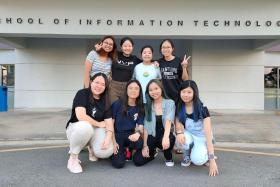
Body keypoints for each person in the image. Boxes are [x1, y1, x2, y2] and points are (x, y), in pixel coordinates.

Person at [66, 73, 114, 173]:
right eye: (97, 82)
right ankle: (73, 158)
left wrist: (108, 137)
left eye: (103, 84)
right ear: (91, 82)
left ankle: (91, 148)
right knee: (85, 126)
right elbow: (81, 116)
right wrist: (99, 124)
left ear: (105, 87)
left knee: (106, 151)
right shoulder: (82, 93)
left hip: (94, 130)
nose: (99, 86)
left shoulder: (105, 100)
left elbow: (109, 122)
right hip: (76, 128)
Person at [175, 80, 219, 176]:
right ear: (180, 92)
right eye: (183, 92)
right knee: (179, 140)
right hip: (189, 134)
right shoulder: (179, 106)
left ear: (195, 93)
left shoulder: (202, 109)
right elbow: (179, 123)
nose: (186, 95)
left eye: (189, 92)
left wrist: (212, 160)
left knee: (198, 161)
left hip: (202, 137)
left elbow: (207, 132)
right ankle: (187, 155)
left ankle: (206, 155)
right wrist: (179, 133)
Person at [133, 79, 175, 167]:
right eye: (150, 90)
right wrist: (145, 145)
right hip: (151, 135)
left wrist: (166, 137)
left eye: (156, 88)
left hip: (164, 134)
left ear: (161, 89)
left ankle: (168, 156)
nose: (153, 92)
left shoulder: (170, 103)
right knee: (138, 160)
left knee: (170, 139)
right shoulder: (147, 105)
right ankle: (153, 152)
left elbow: (168, 120)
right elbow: (146, 127)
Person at [111, 80, 144, 168]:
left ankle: (129, 149)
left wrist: (138, 133)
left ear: (139, 91)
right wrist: (113, 142)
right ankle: (122, 151)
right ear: (126, 90)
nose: (133, 91)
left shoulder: (140, 106)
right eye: (130, 88)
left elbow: (140, 126)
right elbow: (110, 125)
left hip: (130, 135)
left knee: (139, 143)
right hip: (117, 135)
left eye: (136, 89)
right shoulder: (117, 104)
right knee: (119, 164)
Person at [109, 37, 142, 104]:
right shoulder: (115, 54)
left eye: (129, 46)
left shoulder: (134, 59)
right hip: (113, 87)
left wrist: (156, 62)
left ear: (132, 47)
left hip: (127, 87)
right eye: (125, 46)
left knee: (124, 107)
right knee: (114, 106)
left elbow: (146, 61)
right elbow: (105, 50)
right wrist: (99, 48)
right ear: (121, 47)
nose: (127, 48)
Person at [158, 39, 190, 103]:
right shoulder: (159, 62)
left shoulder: (179, 61)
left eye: (168, 47)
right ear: (161, 49)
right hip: (164, 96)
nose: (166, 49)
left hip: (177, 95)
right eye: (163, 47)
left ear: (172, 49)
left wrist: (184, 67)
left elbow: (185, 79)